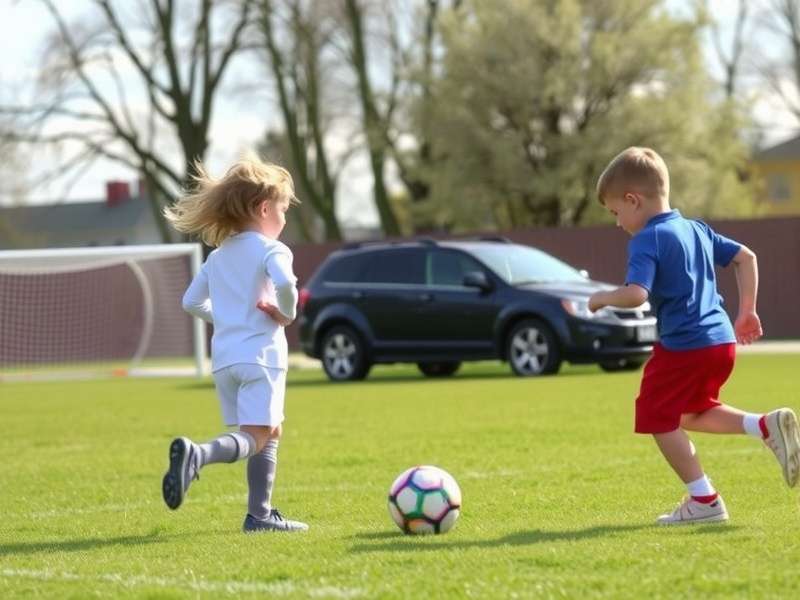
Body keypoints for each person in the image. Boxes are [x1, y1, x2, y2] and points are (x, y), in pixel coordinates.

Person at [589, 146, 800, 525]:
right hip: (720, 342)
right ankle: (764, 425)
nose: (618, 222)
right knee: (689, 412)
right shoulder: (696, 229)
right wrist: (747, 310)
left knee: (655, 415)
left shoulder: (646, 239)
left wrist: (601, 298)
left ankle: (704, 500)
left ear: (633, 200)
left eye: (615, 212)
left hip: (684, 346)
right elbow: (746, 257)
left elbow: (636, 293)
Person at [160, 154, 307, 533]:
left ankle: (259, 515)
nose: (285, 218)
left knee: (269, 430)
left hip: (225, 361)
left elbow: (190, 302)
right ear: (263, 208)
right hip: (261, 356)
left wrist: (225, 319)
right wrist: (284, 314)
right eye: (283, 209)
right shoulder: (273, 249)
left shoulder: (218, 256)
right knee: (256, 436)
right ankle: (198, 455)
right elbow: (288, 286)